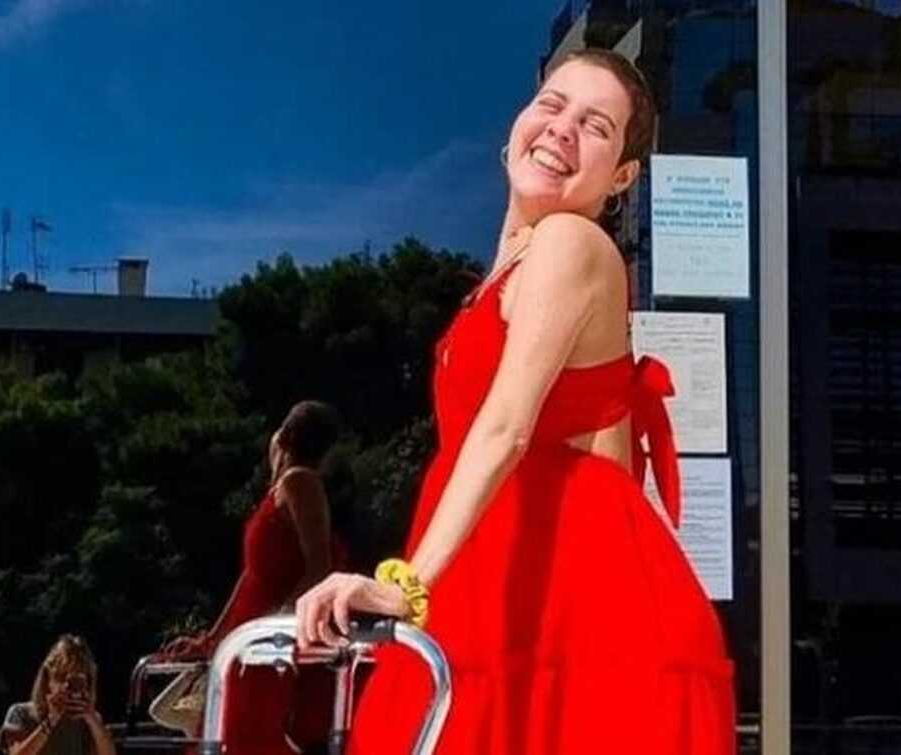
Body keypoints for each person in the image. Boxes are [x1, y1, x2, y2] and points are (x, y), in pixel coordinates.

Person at [293, 49, 736, 753]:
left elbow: (506, 427)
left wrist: (406, 585)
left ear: (622, 176)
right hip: (510, 588)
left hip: (557, 609)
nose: (562, 128)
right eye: (553, 105)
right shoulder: (512, 266)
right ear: (518, 123)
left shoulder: (570, 241)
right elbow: (608, 449)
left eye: (595, 125)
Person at [159, 400, 346, 755]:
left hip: (270, 641)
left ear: (285, 436)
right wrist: (213, 638)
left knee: (249, 732)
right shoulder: (280, 489)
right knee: (230, 730)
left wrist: (277, 627)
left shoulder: (301, 482)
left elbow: (319, 566)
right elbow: (252, 575)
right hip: (250, 637)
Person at [0, 635, 117, 755]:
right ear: (48, 680)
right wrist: (51, 720)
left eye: (75, 681)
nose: (66, 687)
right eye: (61, 677)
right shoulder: (20, 713)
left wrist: (92, 719)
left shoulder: (87, 722)